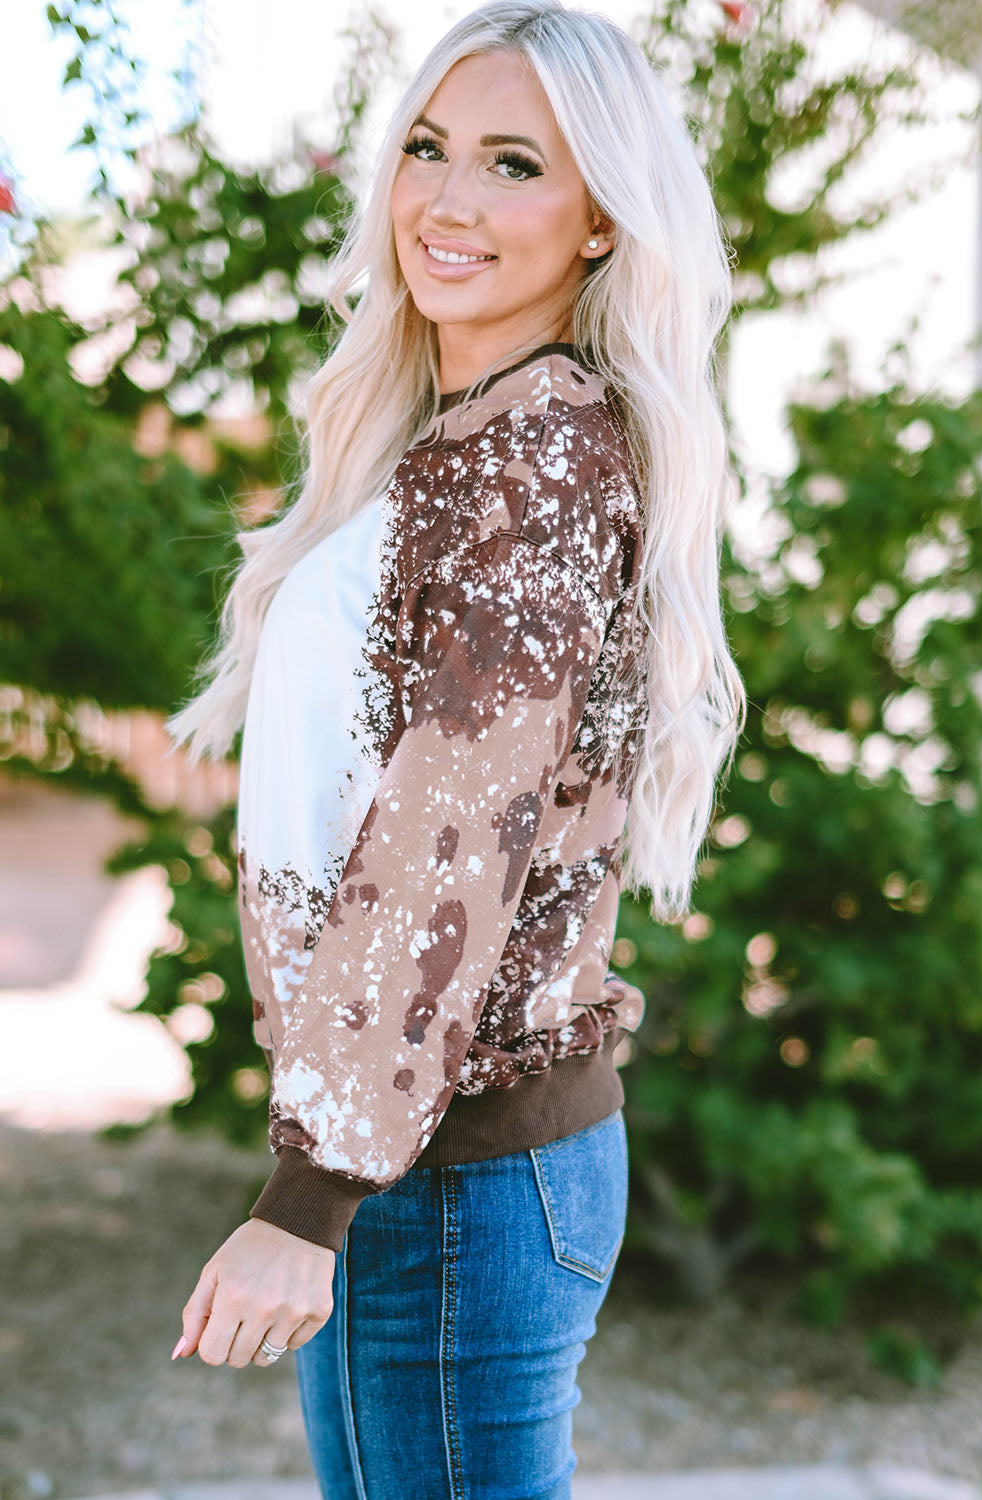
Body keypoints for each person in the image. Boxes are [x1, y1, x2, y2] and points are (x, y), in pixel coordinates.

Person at [166, 2, 744, 1495]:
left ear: (602, 218)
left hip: (455, 1173)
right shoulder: (455, 438)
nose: (447, 200)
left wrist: (307, 1197)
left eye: (511, 165)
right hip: (417, 1163)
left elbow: (444, 838)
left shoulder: (536, 468)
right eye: (428, 148)